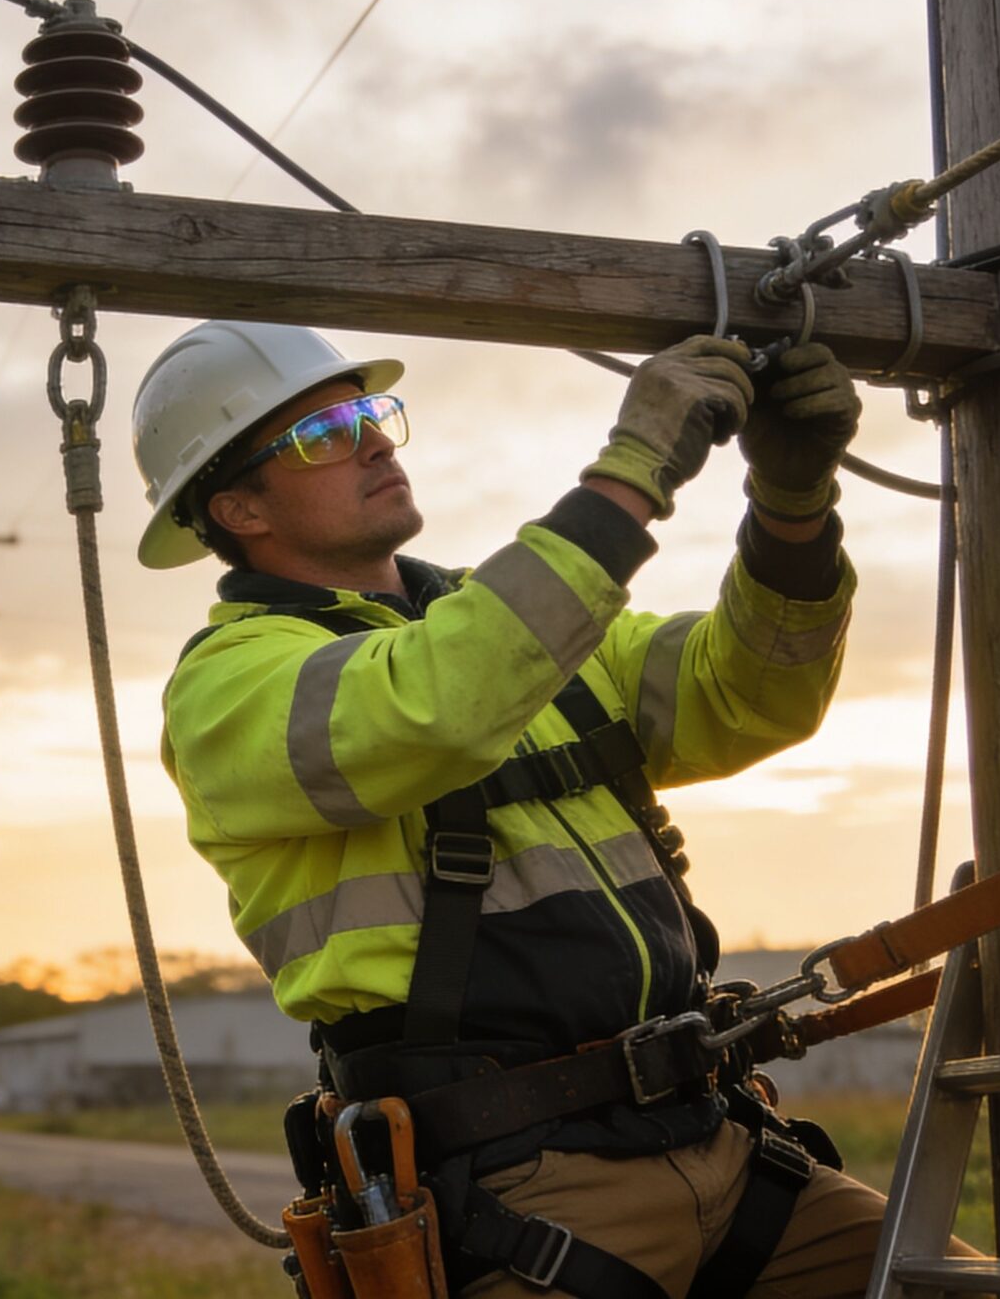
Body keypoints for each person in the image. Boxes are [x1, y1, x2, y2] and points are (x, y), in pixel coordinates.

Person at [135, 321, 955, 1297]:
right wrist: (634, 470)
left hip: (726, 1142)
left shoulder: (528, 623)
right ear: (236, 508)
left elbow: (748, 693)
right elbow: (434, 706)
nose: (375, 440)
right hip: (516, 1189)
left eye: (373, 413)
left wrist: (790, 506)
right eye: (324, 433)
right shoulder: (228, 689)